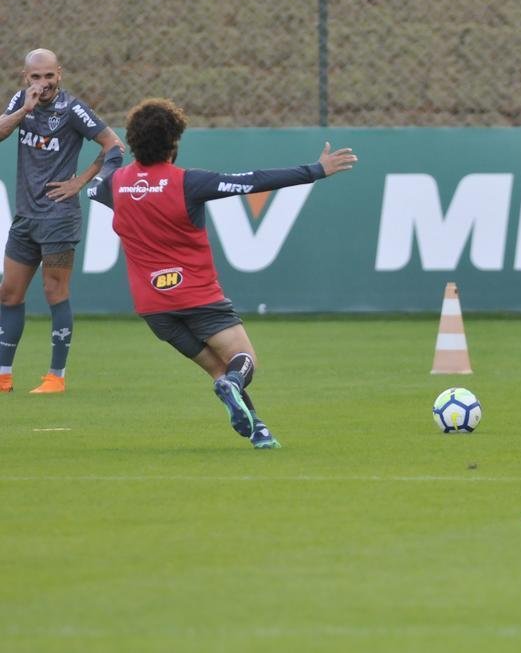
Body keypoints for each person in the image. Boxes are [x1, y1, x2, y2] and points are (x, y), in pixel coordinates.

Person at [86, 98, 356, 449]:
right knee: (244, 362)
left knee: (219, 370)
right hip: (198, 296)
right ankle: (241, 402)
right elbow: (252, 182)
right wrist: (314, 170)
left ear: (134, 141)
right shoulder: (188, 183)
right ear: (173, 144)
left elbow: (96, 188)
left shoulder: (116, 184)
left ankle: (259, 431)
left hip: (153, 307)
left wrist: (112, 159)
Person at [0, 49, 125, 395]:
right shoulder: (20, 102)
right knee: (8, 294)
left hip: (58, 216)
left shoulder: (73, 109)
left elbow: (114, 144)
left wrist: (80, 180)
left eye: (48, 76)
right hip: (25, 217)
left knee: (55, 292)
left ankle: (56, 377)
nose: (43, 84)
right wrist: (23, 109)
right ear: (25, 77)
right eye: (35, 77)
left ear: (60, 74)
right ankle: (4, 376)